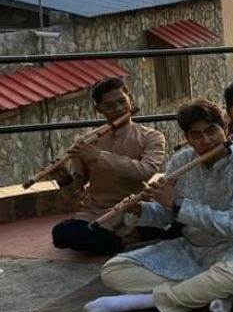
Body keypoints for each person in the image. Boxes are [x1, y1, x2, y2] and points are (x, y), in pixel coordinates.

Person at [85, 100, 233, 312]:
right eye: (196, 135)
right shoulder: (181, 161)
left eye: (212, 131)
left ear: (225, 128)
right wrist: (139, 210)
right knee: (113, 270)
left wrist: (178, 204)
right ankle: (210, 290)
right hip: (193, 248)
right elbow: (166, 214)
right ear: (187, 138)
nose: (206, 141)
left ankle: (144, 301)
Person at [51, 77, 165, 256]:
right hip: (97, 211)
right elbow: (75, 193)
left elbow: (146, 171)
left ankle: (113, 240)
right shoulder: (86, 142)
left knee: (165, 226)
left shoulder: (152, 137)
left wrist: (99, 157)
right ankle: (123, 241)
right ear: (99, 109)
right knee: (61, 234)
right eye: (110, 106)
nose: (119, 109)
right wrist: (63, 179)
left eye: (122, 101)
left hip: (134, 209)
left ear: (130, 98)